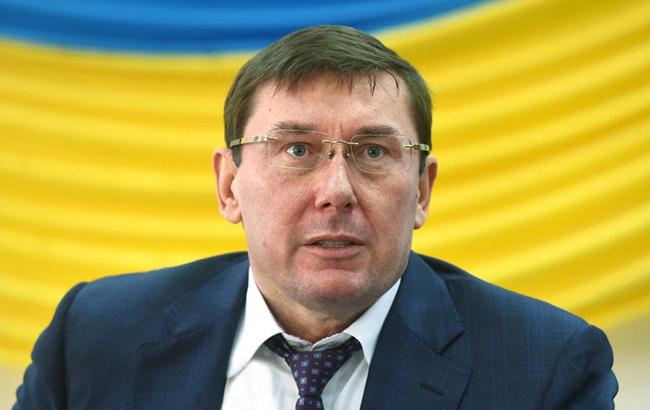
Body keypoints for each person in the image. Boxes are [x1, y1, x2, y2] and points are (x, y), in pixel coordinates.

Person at [14, 25, 617, 409]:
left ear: (422, 190)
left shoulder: (545, 368)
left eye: (373, 152)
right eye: (297, 150)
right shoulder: (95, 336)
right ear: (229, 186)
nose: (337, 192)